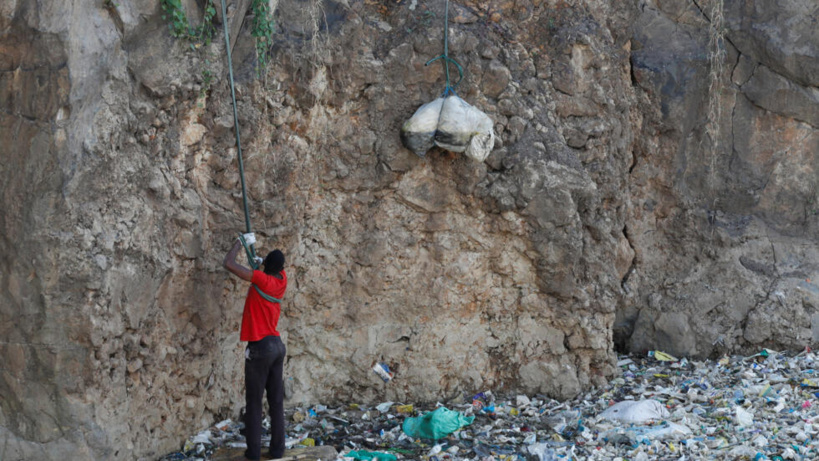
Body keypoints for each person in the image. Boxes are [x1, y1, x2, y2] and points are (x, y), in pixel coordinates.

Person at [223, 233, 287, 461]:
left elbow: (229, 264)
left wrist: (239, 242)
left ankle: (253, 454)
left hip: (260, 347)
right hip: (277, 346)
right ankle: (278, 450)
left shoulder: (261, 280)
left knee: (253, 404)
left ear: (266, 267)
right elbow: (267, 267)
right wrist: (259, 260)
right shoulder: (281, 279)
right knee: (276, 402)